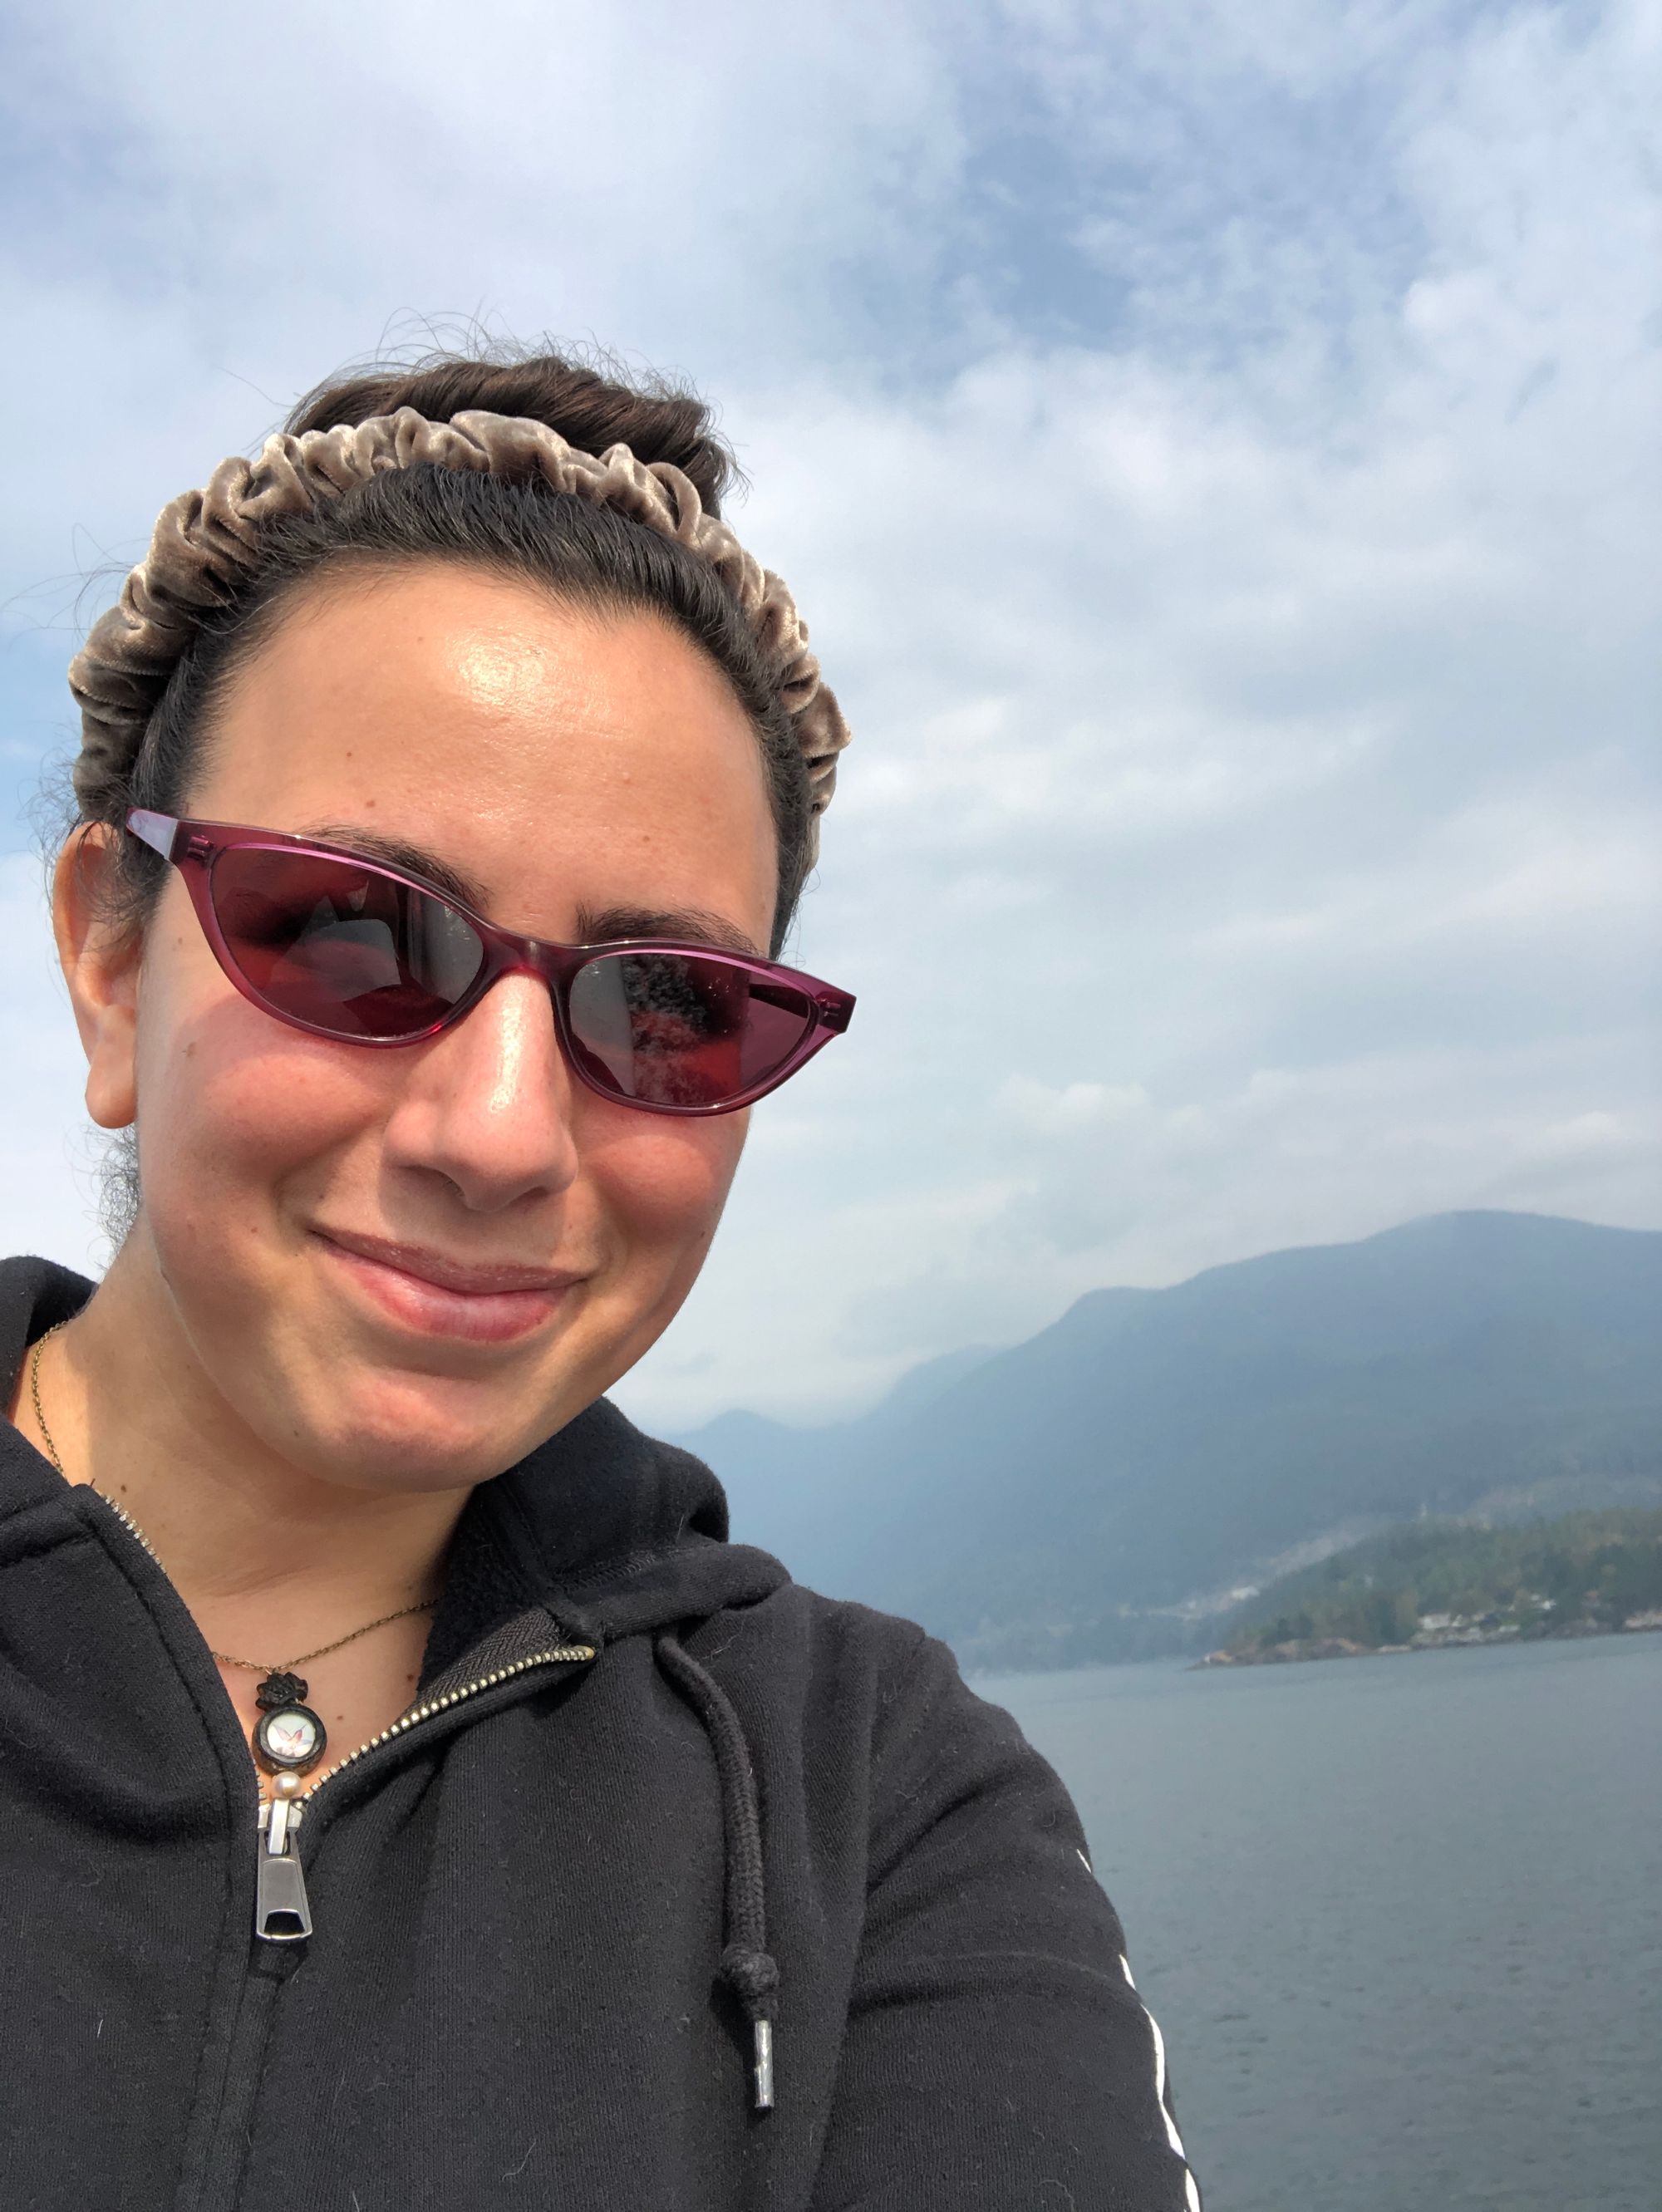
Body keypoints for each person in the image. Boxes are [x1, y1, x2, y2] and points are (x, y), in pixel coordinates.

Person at [1, 342, 1201, 2210]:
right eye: (343, 929)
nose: (496, 1131)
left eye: (668, 1005)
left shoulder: (861, 1802)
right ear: (107, 956)